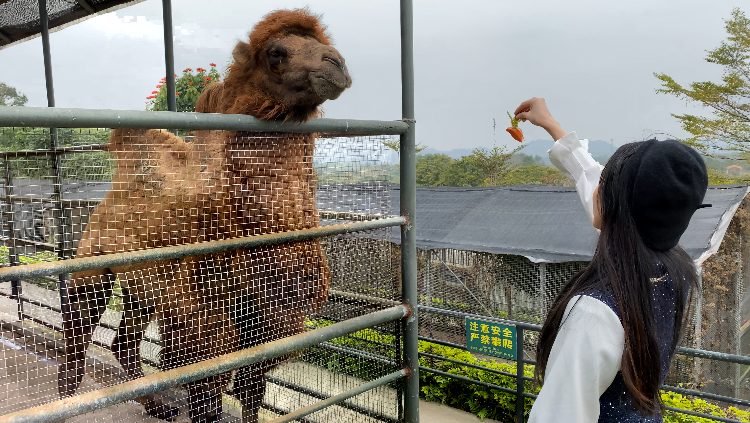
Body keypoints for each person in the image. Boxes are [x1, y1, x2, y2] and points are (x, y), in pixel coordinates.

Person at [514, 97, 710, 422]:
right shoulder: (677, 268)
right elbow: (592, 176)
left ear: (617, 209)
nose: (595, 188)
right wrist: (551, 125)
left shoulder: (593, 314)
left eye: (605, 185)